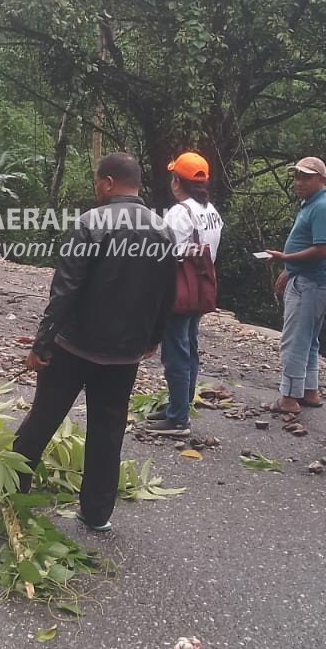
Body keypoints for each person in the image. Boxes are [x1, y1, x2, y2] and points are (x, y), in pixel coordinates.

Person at [11, 152, 177, 532]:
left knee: (44, 417)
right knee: (108, 428)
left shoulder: (91, 222)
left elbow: (65, 290)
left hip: (75, 346)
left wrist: (42, 343)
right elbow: (167, 293)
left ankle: (12, 488)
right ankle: (97, 514)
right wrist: (153, 338)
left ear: (106, 182)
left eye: (95, 182)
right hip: (125, 355)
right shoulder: (163, 230)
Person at [148, 151, 222, 438]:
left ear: (177, 181)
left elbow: (166, 254)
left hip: (179, 289)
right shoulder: (210, 211)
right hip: (200, 287)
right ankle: (178, 407)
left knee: (176, 353)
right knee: (188, 348)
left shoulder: (180, 213)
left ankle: (178, 418)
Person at [262, 156, 326, 417]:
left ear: (321, 179)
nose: (299, 182)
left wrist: (285, 259)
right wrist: (289, 269)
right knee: (308, 339)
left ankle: (288, 397)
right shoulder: (313, 203)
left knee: (295, 340)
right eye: (297, 176)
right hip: (311, 279)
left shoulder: (322, 207)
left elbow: (322, 249)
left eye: (306, 177)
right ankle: (309, 391)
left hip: (312, 283)